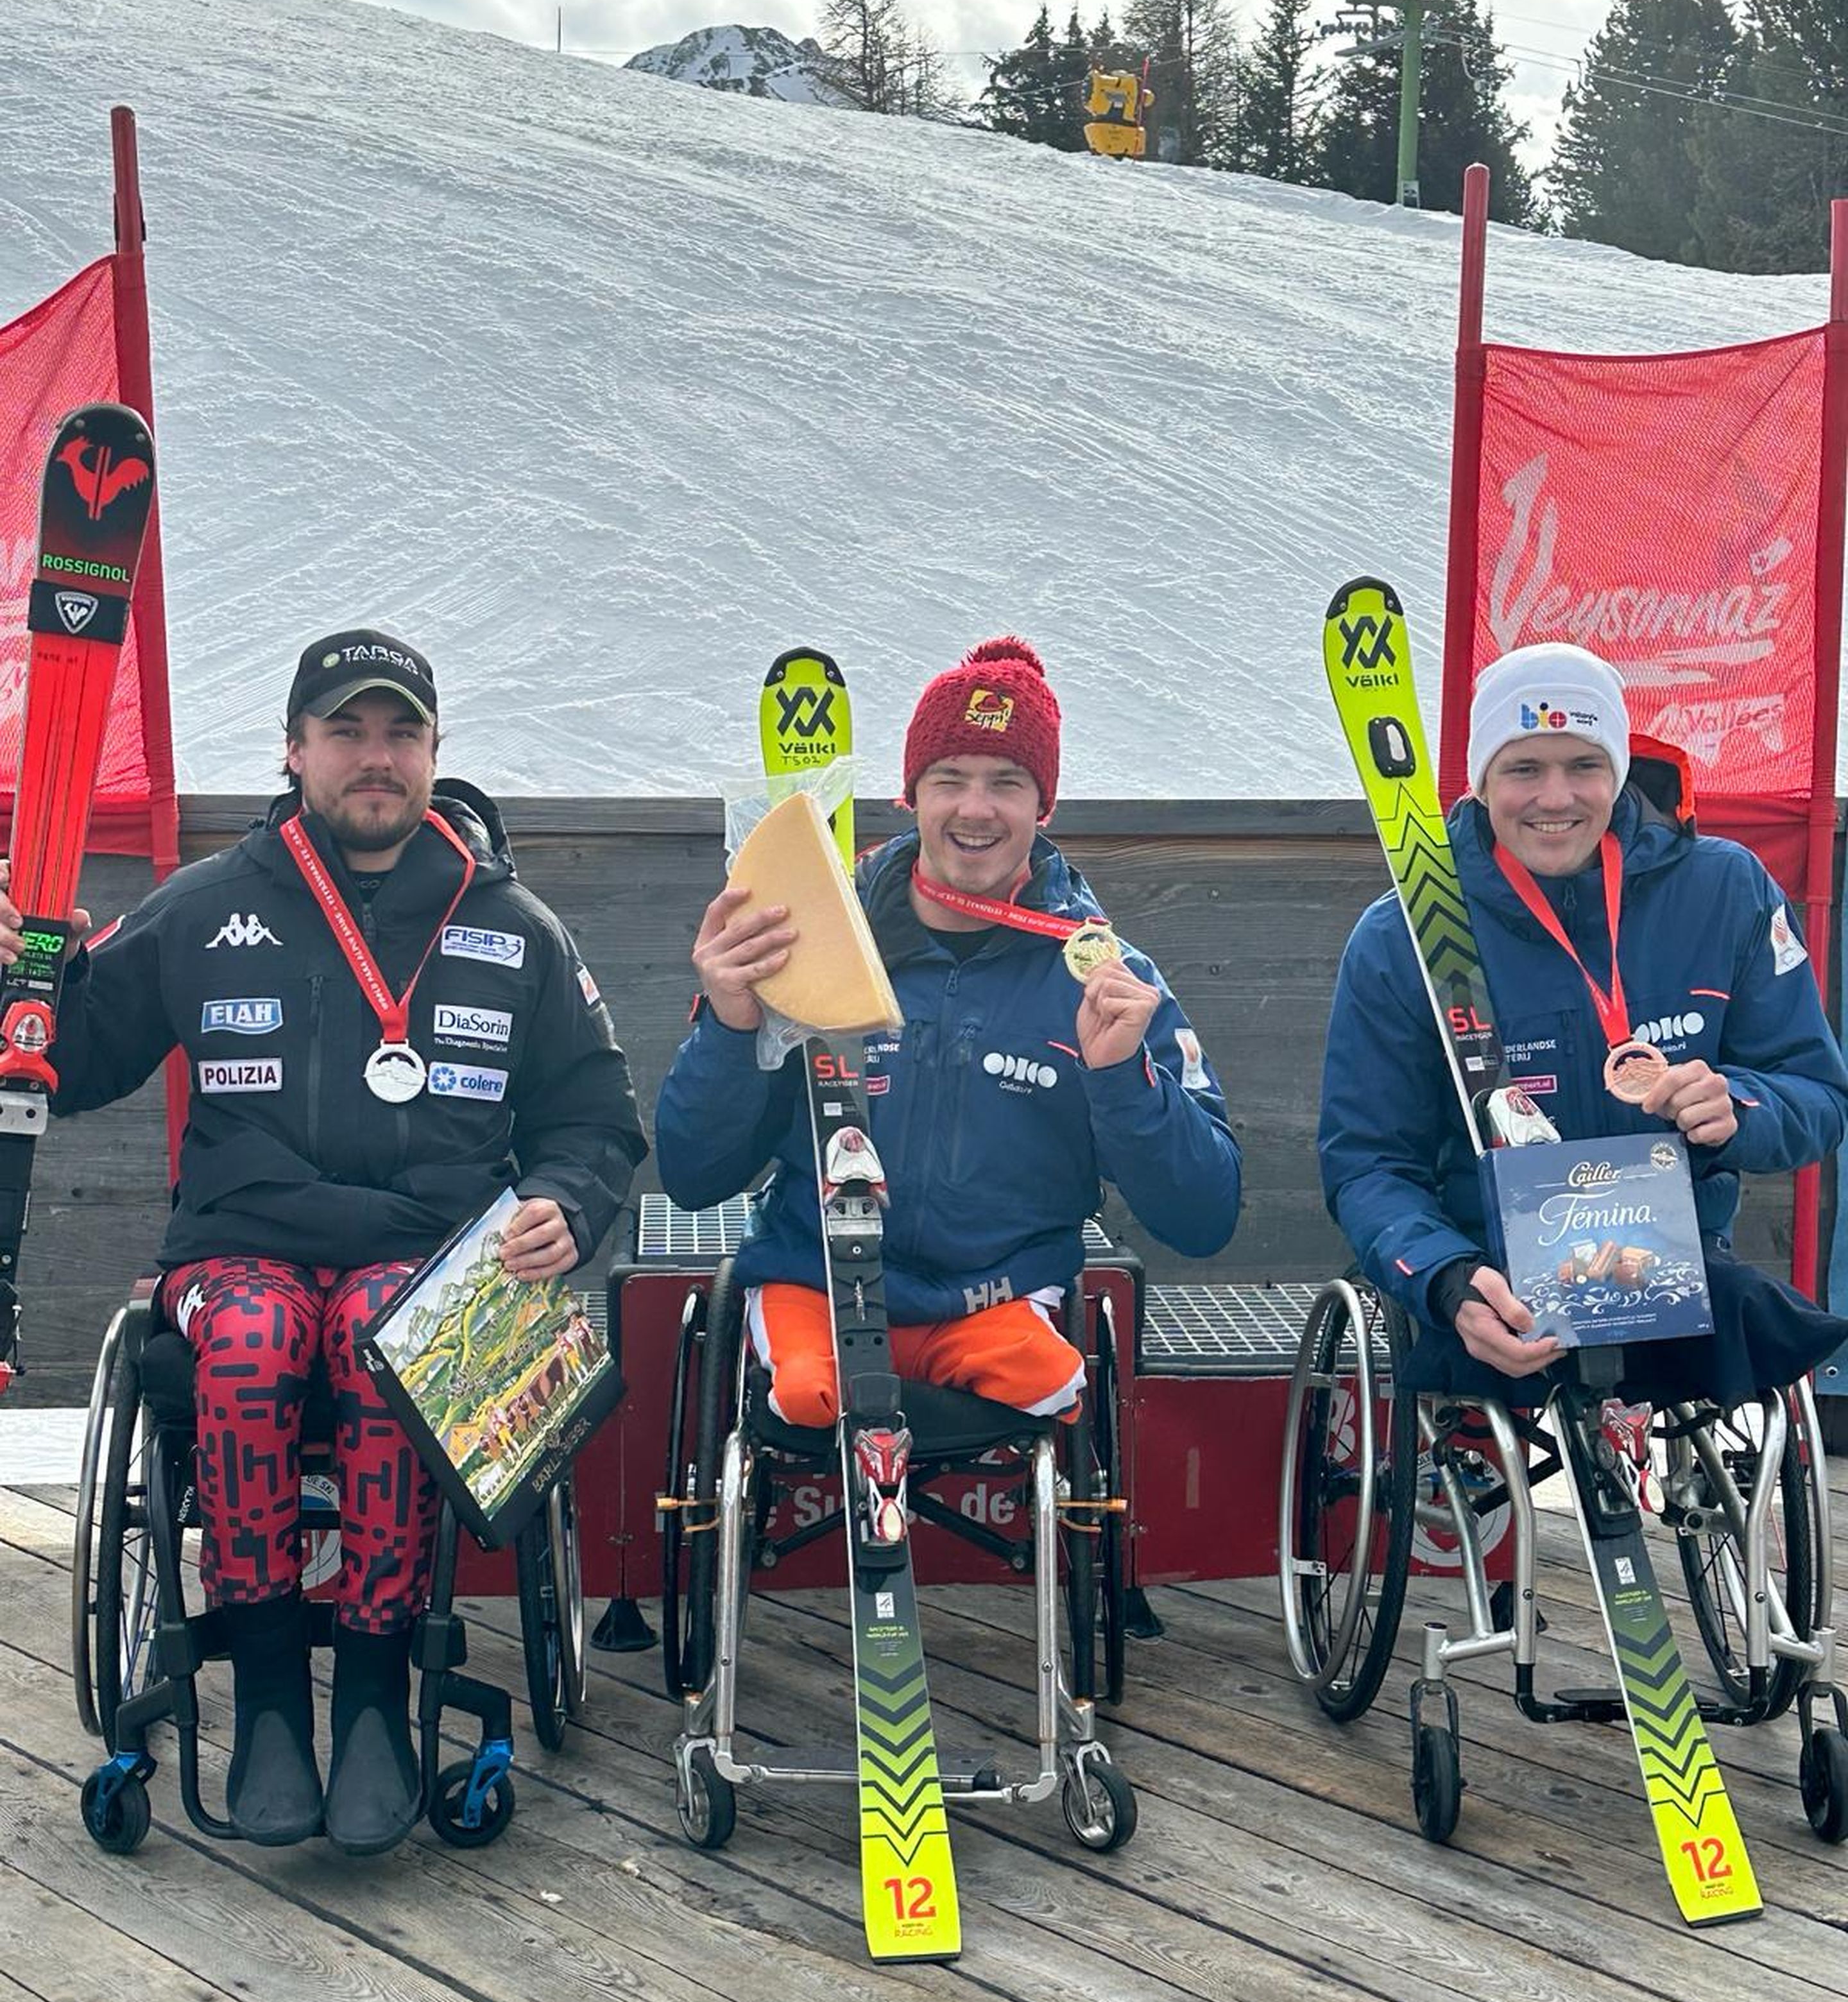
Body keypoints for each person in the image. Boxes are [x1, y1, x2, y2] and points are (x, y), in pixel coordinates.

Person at [1, 628, 646, 1854]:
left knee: (384, 1337)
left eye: (400, 732)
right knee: (248, 1341)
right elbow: (67, 1063)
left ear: (435, 753)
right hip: (241, 1249)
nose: (375, 757)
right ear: (294, 751)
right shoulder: (203, 904)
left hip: (430, 1261)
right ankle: (266, 1702)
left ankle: (369, 1700)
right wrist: (25, 984)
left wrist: (568, 1200)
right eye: (346, 731)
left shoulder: (515, 926)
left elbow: (597, 1120)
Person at [654, 635, 1242, 1429]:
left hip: (996, 1302)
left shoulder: (1104, 974)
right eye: (950, 779)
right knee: (798, 1397)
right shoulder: (807, 939)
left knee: (1054, 1384)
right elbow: (693, 1176)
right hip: (817, 1284)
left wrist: (1122, 1081)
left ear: (1044, 805)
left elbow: (1204, 1218)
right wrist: (731, 1027)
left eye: (1007, 782)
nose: (975, 808)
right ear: (911, 796)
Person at [1319, 640, 1848, 1404]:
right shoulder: (1404, 932)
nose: (1556, 797)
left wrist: (1738, 1107)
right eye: (1524, 769)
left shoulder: (1724, 888)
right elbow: (1367, 1162)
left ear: (1620, 771)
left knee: (1769, 1328)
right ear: (1481, 782)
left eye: (1584, 766)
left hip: (1671, 1266)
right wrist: (1446, 1281)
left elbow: (1818, 1095)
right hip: (1493, 1276)